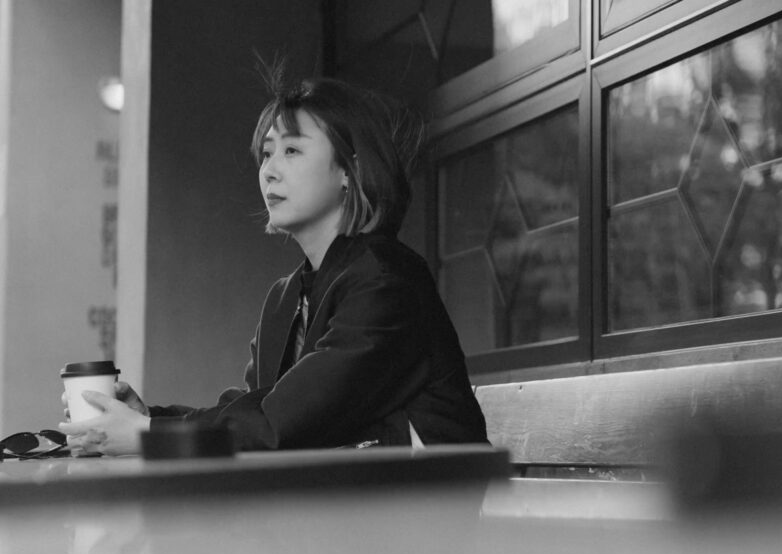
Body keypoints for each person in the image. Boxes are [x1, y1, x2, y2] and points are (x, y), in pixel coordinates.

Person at [60, 72, 488, 455]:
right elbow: (255, 410)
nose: (269, 171)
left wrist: (148, 434)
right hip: (347, 501)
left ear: (350, 170)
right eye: (266, 153)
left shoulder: (385, 280)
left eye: (292, 150)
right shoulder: (287, 296)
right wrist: (147, 416)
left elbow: (283, 423)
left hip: (426, 506)